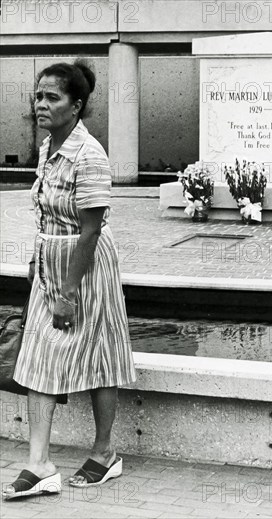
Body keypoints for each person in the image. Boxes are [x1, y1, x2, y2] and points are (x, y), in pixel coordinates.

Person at [2, 61, 136, 499]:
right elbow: (45, 213)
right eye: (38, 96)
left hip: (87, 264)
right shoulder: (46, 148)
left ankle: (104, 453)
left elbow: (91, 229)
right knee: (36, 357)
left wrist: (69, 292)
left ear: (76, 106)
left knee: (101, 352)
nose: (41, 105)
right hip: (51, 262)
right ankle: (39, 464)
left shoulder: (89, 155)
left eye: (52, 97)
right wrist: (35, 262)